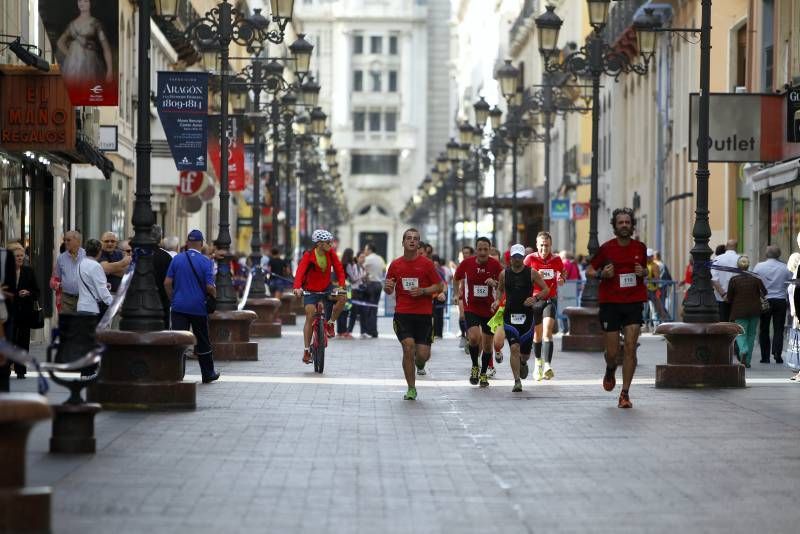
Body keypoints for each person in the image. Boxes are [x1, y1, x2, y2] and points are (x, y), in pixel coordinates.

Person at [586, 207, 648, 409]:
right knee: (612, 353)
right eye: (620, 222)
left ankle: (625, 393)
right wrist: (602, 274)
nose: (624, 225)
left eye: (627, 222)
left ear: (632, 225)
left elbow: (644, 270)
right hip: (610, 302)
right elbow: (589, 271)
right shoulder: (606, 248)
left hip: (633, 302)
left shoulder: (640, 247)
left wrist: (643, 271)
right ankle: (610, 368)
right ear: (615, 226)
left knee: (630, 348)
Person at [383, 228, 444, 400]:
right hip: (403, 314)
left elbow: (439, 286)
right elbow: (389, 289)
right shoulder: (395, 265)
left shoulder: (426, 264)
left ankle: (420, 363)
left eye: (415, 239)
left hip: (424, 315)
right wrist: (387, 287)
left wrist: (423, 291)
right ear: (403, 242)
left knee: (423, 355)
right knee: (408, 347)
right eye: (408, 238)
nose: (412, 241)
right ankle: (411, 388)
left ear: (418, 243)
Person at [164, 230, 220, 384]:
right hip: (198, 308)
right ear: (202, 244)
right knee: (203, 340)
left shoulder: (177, 259)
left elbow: (167, 283)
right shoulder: (206, 261)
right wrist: (214, 295)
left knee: (178, 341)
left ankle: (175, 374)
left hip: (179, 307)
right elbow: (210, 287)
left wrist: (173, 299)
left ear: (187, 243)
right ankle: (208, 373)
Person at [494, 244, 550, 393]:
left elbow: (546, 289)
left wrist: (535, 297)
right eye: (515, 257)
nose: (517, 260)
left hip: (527, 318)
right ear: (510, 258)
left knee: (524, 354)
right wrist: (496, 301)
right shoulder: (504, 274)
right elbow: (499, 290)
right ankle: (517, 381)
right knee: (514, 348)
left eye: (520, 257)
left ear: (523, 258)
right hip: (510, 316)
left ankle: (523, 363)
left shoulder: (531, 273)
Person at [292, 229, 347, 364]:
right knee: (310, 315)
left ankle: (330, 323)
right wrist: (297, 288)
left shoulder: (331, 253)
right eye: (328, 242)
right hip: (310, 290)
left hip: (327, 288)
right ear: (319, 244)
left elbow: (339, 269)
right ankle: (306, 351)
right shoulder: (308, 255)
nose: (331, 244)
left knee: (342, 297)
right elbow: (300, 272)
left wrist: (341, 285)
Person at [455, 237, 503, 387]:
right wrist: (457, 294)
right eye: (480, 249)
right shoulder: (467, 263)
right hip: (472, 307)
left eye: (485, 249)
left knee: (488, 345)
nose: (482, 252)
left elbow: (503, 284)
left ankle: (483, 374)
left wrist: (495, 284)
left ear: (489, 249)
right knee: (474, 338)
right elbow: (456, 278)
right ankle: (475, 366)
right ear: (476, 250)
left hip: (489, 309)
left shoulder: (495, 265)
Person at [524, 232, 566, 381]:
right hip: (535, 300)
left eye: (546, 245)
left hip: (549, 299)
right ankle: (538, 364)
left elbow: (562, 272)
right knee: (537, 335)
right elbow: (521, 277)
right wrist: (534, 275)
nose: (544, 248)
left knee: (548, 332)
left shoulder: (556, 259)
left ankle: (548, 365)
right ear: (537, 245)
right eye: (541, 245)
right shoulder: (530, 259)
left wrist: (562, 278)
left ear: (550, 245)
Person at [56, 0, 114, 87]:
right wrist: (69, 55)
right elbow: (60, 42)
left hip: (90, 64)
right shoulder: (72, 24)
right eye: (80, 1)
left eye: (86, 1)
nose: (82, 3)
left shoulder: (95, 23)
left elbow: (106, 48)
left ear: (91, 3)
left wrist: (110, 70)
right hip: (72, 67)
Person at [752, 246, 791, 364]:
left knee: (764, 328)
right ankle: (777, 353)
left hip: (765, 300)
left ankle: (765, 356)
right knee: (778, 328)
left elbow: (754, 282)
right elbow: (789, 282)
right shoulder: (785, 268)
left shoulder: (759, 266)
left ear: (766, 254)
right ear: (779, 255)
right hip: (780, 300)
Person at [726, 255, 767, 368]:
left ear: (738, 267)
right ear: (749, 266)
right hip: (754, 310)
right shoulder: (756, 278)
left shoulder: (734, 280)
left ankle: (743, 350)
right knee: (751, 335)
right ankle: (747, 361)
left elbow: (729, 298)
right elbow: (765, 291)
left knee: (741, 333)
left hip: (739, 311)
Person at [76, 238, 114, 317]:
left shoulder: (80, 264)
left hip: (81, 307)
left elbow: (86, 282)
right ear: (99, 251)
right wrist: (114, 305)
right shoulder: (96, 266)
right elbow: (102, 291)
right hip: (92, 308)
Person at [54, 231, 86, 313]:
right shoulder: (61, 258)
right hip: (66, 299)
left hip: (84, 298)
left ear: (78, 241)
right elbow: (57, 277)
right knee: (67, 324)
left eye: (68, 240)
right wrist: (58, 284)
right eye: (65, 240)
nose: (65, 242)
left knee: (81, 324)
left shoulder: (86, 256)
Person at [712, 240, 740, 321]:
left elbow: (714, 279)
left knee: (723, 325)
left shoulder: (717, 259)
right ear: (736, 248)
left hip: (721, 298)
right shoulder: (741, 259)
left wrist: (723, 294)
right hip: (737, 299)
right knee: (736, 326)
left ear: (726, 247)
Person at [151, 225, 173, 329]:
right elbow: (170, 281)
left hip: (142, 302)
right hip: (162, 301)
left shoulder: (140, 255)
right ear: (160, 238)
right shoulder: (166, 257)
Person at [362, 242, 386, 338]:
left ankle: (369, 330)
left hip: (370, 284)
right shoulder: (380, 258)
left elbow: (360, 267)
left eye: (366, 249)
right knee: (374, 308)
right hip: (378, 284)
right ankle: (374, 331)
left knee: (368, 308)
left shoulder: (368, 259)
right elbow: (384, 270)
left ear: (370, 250)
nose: (365, 251)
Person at [99, 231, 131, 297]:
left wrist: (111, 269)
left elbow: (127, 272)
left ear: (116, 243)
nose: (110, 243)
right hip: (105, 295)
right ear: (101, 242)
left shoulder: (119, 253)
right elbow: (105, 268)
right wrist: (123, 263)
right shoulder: (99, 253)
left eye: (112, 241)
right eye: (106, 241)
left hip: (120, 294)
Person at [345, 252, 368, 337]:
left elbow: (362, 280)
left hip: (361, 291)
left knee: (363, 312)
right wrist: (363, 276)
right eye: (361, 257)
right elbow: (352, 280)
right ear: (357, 258)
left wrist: (365, 279)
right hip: (353, 291)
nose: (363, 259)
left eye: (364, 257)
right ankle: (349, 331)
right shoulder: (353, 267)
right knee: (354, 312)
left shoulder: (363, 268)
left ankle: (363, 332)